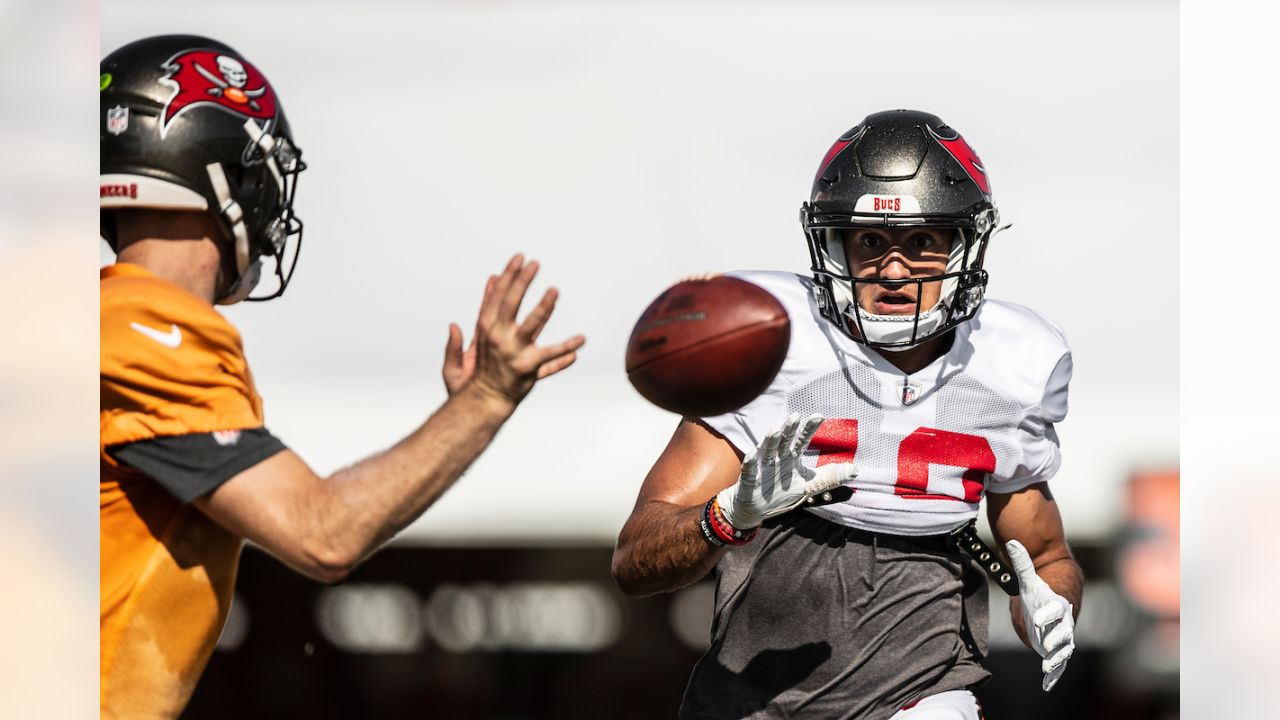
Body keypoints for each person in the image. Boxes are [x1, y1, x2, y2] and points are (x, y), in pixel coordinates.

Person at [99, 35, 585, 719]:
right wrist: (486, 398)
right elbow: (323, 533)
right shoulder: (145, 327)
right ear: (213, 168)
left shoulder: (97, 321)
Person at [612, 109, 1081, 720]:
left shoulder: (1014, 363)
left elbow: (1047, 557)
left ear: (965, 244)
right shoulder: (769, 341)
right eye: (870, 241)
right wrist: (724, 517)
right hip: (753, 701)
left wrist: (1051, 606)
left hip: (921, 695)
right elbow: (634, 562)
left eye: (921, 243)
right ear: (832, 243)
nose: (893, 270)